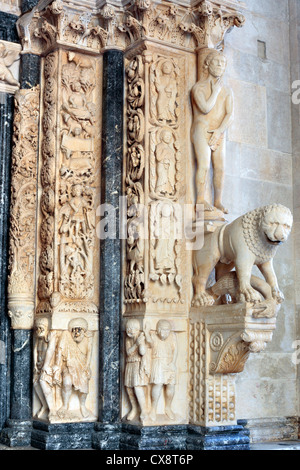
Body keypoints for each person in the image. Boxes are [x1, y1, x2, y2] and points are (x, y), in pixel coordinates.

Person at [191, 50, 234, 214]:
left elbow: (230, 114)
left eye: (223, 63)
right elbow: (205, 108)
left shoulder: (227, 90)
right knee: (204, 164)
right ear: (207, 64)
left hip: (218, 131)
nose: (220, 66)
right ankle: (200, 200)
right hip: (201, 129)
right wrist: (215, 91)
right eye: (216, 62)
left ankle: (217, 201)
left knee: (220, 167)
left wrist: (219, 131)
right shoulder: (198, 87)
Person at [53, 318, 93, 419]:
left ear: (83, 331)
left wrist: (87, 367)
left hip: (82, 366)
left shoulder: (88, 339)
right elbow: (59, 352)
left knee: (84, 383)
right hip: (68, 366)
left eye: (78, 330)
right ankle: (65, 405)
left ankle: (83, 406)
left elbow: (89, 355)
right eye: (74, 330)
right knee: (67, 382)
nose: (76, 333)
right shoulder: (66, 337)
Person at [145, 320, 177, 421]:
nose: (165, 332)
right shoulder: (154, 336)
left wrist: (173, 363)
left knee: (171, 385)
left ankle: (168, 407)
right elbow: (149, 342)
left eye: (167, 330)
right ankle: (153, 409)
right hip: (158, 362)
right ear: (158, 330)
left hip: (169, 362)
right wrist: (146, 332)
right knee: (157, 385)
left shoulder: (172, 337)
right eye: (163, 330)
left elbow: (175, 350)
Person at [124, 319, 150, 421]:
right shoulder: (128, 340)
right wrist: (136, 344)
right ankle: (134, 408)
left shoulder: (140, 338)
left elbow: (142, 352)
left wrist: (140, 342)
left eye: (132, 329)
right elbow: (128, 352)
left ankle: (143, 410)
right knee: (129, 388)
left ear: (138, 329)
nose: (130, 331)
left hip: (138, 365)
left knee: (137, 387)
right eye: (128, 329)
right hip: (130, 364)